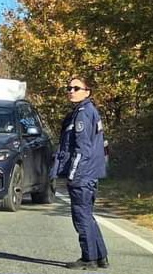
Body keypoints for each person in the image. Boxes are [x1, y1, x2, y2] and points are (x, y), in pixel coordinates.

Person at [51, 76, 109, 270]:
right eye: (69, 88)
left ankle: (89, 258)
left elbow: (82, 149)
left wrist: (73, 174)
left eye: (76, 88)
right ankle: (101, 256)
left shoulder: (83, 114)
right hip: (88, 173)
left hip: (82, 174)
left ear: (87, 91)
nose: (71, 91)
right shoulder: (84, 112)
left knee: (81, 216)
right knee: (87, 215)